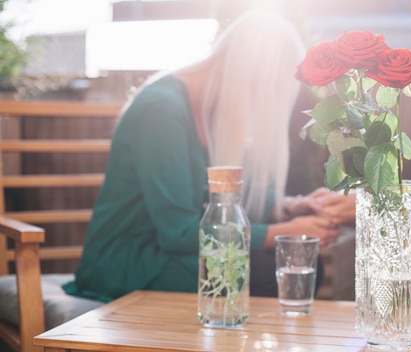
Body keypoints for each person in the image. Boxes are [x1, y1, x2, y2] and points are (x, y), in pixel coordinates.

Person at [62, 10, 345, 302]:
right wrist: (284, 231)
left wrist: (290, 206)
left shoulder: (208, 110)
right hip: (133, 261)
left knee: (294, 262)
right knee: (273, 270)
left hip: (174, 253)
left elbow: (218, 197)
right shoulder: (162, 111)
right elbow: (178, 233)